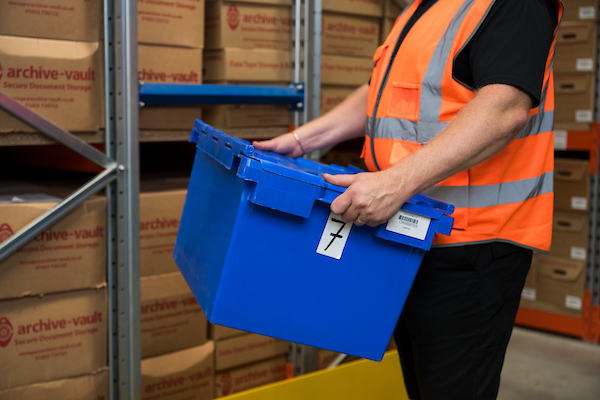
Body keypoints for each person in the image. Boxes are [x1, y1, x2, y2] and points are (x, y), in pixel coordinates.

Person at [254, 0, 562, 399]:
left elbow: (504, 108)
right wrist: (302, 141)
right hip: (408, 232)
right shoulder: (425, 7)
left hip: (471, 245)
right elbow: (383, 95)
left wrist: (395, 184)